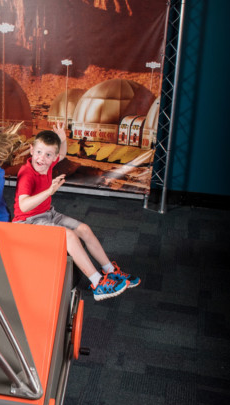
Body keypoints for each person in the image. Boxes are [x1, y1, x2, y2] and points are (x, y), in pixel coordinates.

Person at [13, 125, 140, 301]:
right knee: (70, 236)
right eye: (39, 152)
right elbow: (24, 206)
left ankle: (110, 271)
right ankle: (97, 284)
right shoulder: (27, 173)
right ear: (31, 150)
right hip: (27, 223)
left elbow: (63, 154)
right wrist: (49, 191)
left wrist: (62, 138)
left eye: (48, 155)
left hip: (48, 214)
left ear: (53, 158)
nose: (42, 158)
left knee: (85, 229)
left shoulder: (49, 163)